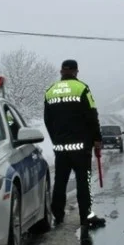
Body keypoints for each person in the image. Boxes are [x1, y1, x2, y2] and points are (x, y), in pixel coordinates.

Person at [44, 59, 106, 229]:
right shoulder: (82, 89)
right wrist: (97, 139)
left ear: (61, 72)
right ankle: (86, 217)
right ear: (76, 72)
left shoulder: (50, 91)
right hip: (81, 148)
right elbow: (92, 116)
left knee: (60, 182)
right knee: (83, 182)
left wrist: (56, 139)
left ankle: (57, 215)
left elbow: (47, 120)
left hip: (60, 148)